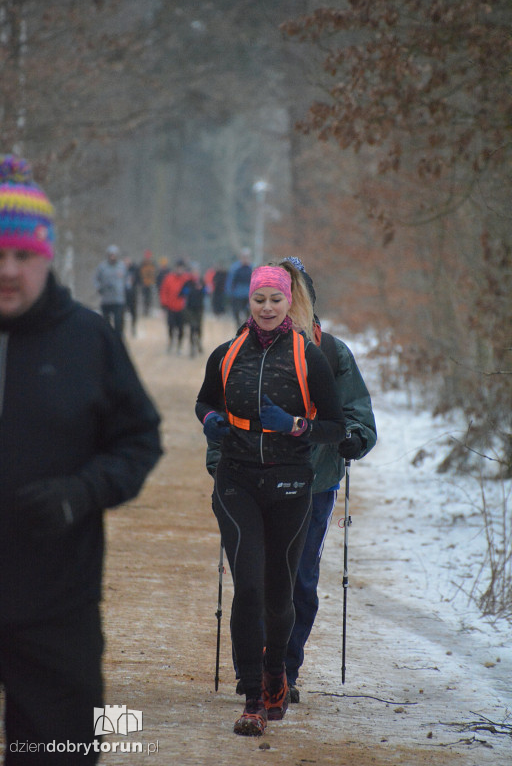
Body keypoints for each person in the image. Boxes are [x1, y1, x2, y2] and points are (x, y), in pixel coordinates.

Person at [0, 155, 162, 764]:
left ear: (47, 257)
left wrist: (80, 492)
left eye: (23, 256)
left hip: (55, 604)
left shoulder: (87, 339)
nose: (9, 271)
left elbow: (138, 440)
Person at [196, 263, 347, 737]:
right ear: (249, 303)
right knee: (251, 587)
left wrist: (296, 425)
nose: (266, 308)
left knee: (280, 591)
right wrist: (211, 423)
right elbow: (204, 401)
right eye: (258, 300)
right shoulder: (226, 353)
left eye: (275, 300)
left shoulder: (310, 356)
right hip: (236, 479)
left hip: (290, 482)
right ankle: (253, 697)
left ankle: (277, 671)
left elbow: (336, 427)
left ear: (288, 302)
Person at [279, 258, 377, 702]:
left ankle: (284, 670)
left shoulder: (333, 352)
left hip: (317, 482)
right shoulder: (243, 349)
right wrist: (218, 455)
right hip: (254, 479)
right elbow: (222, 409)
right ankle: (261, 665)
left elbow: (358, 411)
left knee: (301, 578)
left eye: (297, 295)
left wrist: (355, 437)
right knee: (261, 576)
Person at [94, 243, 127, 334]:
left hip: (118, 300)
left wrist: (125, 288)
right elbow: (96, 279)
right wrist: (99, 288)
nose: (112, 257)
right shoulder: (102, 267)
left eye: (114, 255)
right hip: (106, 300)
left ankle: (118, 339)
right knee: (106, 323)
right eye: (111, 255)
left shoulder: (122, 266)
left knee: (118, 322)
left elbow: (127, 280)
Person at [159, 258, 190, 354]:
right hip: (171, 307)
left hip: (182, 308)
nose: (180, 270)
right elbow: (164, 291)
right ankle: (171, 342)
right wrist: (164, 304)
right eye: (178, 268)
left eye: (181, 268)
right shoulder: (169, 278)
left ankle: (179, 345)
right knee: (171, 326)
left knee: (181, 328)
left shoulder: (187, 279)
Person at [180, 262, 206, 357]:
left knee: (198, 328)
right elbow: (181, 293)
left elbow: (206, 292)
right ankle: (192, 348)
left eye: (197, 271)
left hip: (199, 308)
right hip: (190, 309)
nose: (195, 273)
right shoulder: (188, 283)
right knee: (192, 327)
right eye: (194, 271)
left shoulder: (202, 282)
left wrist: (202, 289)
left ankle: (199, 343)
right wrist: (189, 291)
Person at [224, 248, 252, 327]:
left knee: (248, 314)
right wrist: (229, 294)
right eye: (244, 257)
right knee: (236, 313)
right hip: (237, 295)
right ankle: (238, 327)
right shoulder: (235, 268)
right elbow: (230, 282)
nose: (245, 259)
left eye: (247, 257)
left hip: (248, 295)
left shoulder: (252, 268)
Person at [124, 256, 140, 337]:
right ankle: (122, 330)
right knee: (122, 313)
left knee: (133, 312)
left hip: (133, 294)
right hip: (123, 295)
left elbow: (139, 280)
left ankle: (133, 328)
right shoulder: (121, 269)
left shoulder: (135, 269)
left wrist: (134, 281)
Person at [138, 249, 157, 316]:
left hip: (150, 283)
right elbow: (140, 274)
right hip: (144, 283)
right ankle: (144, 310)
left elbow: (155, 274)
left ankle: (148, 310)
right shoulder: (142, 264)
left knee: (149, 298)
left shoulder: (153, 264)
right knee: (144, 298)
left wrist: (153, 282)